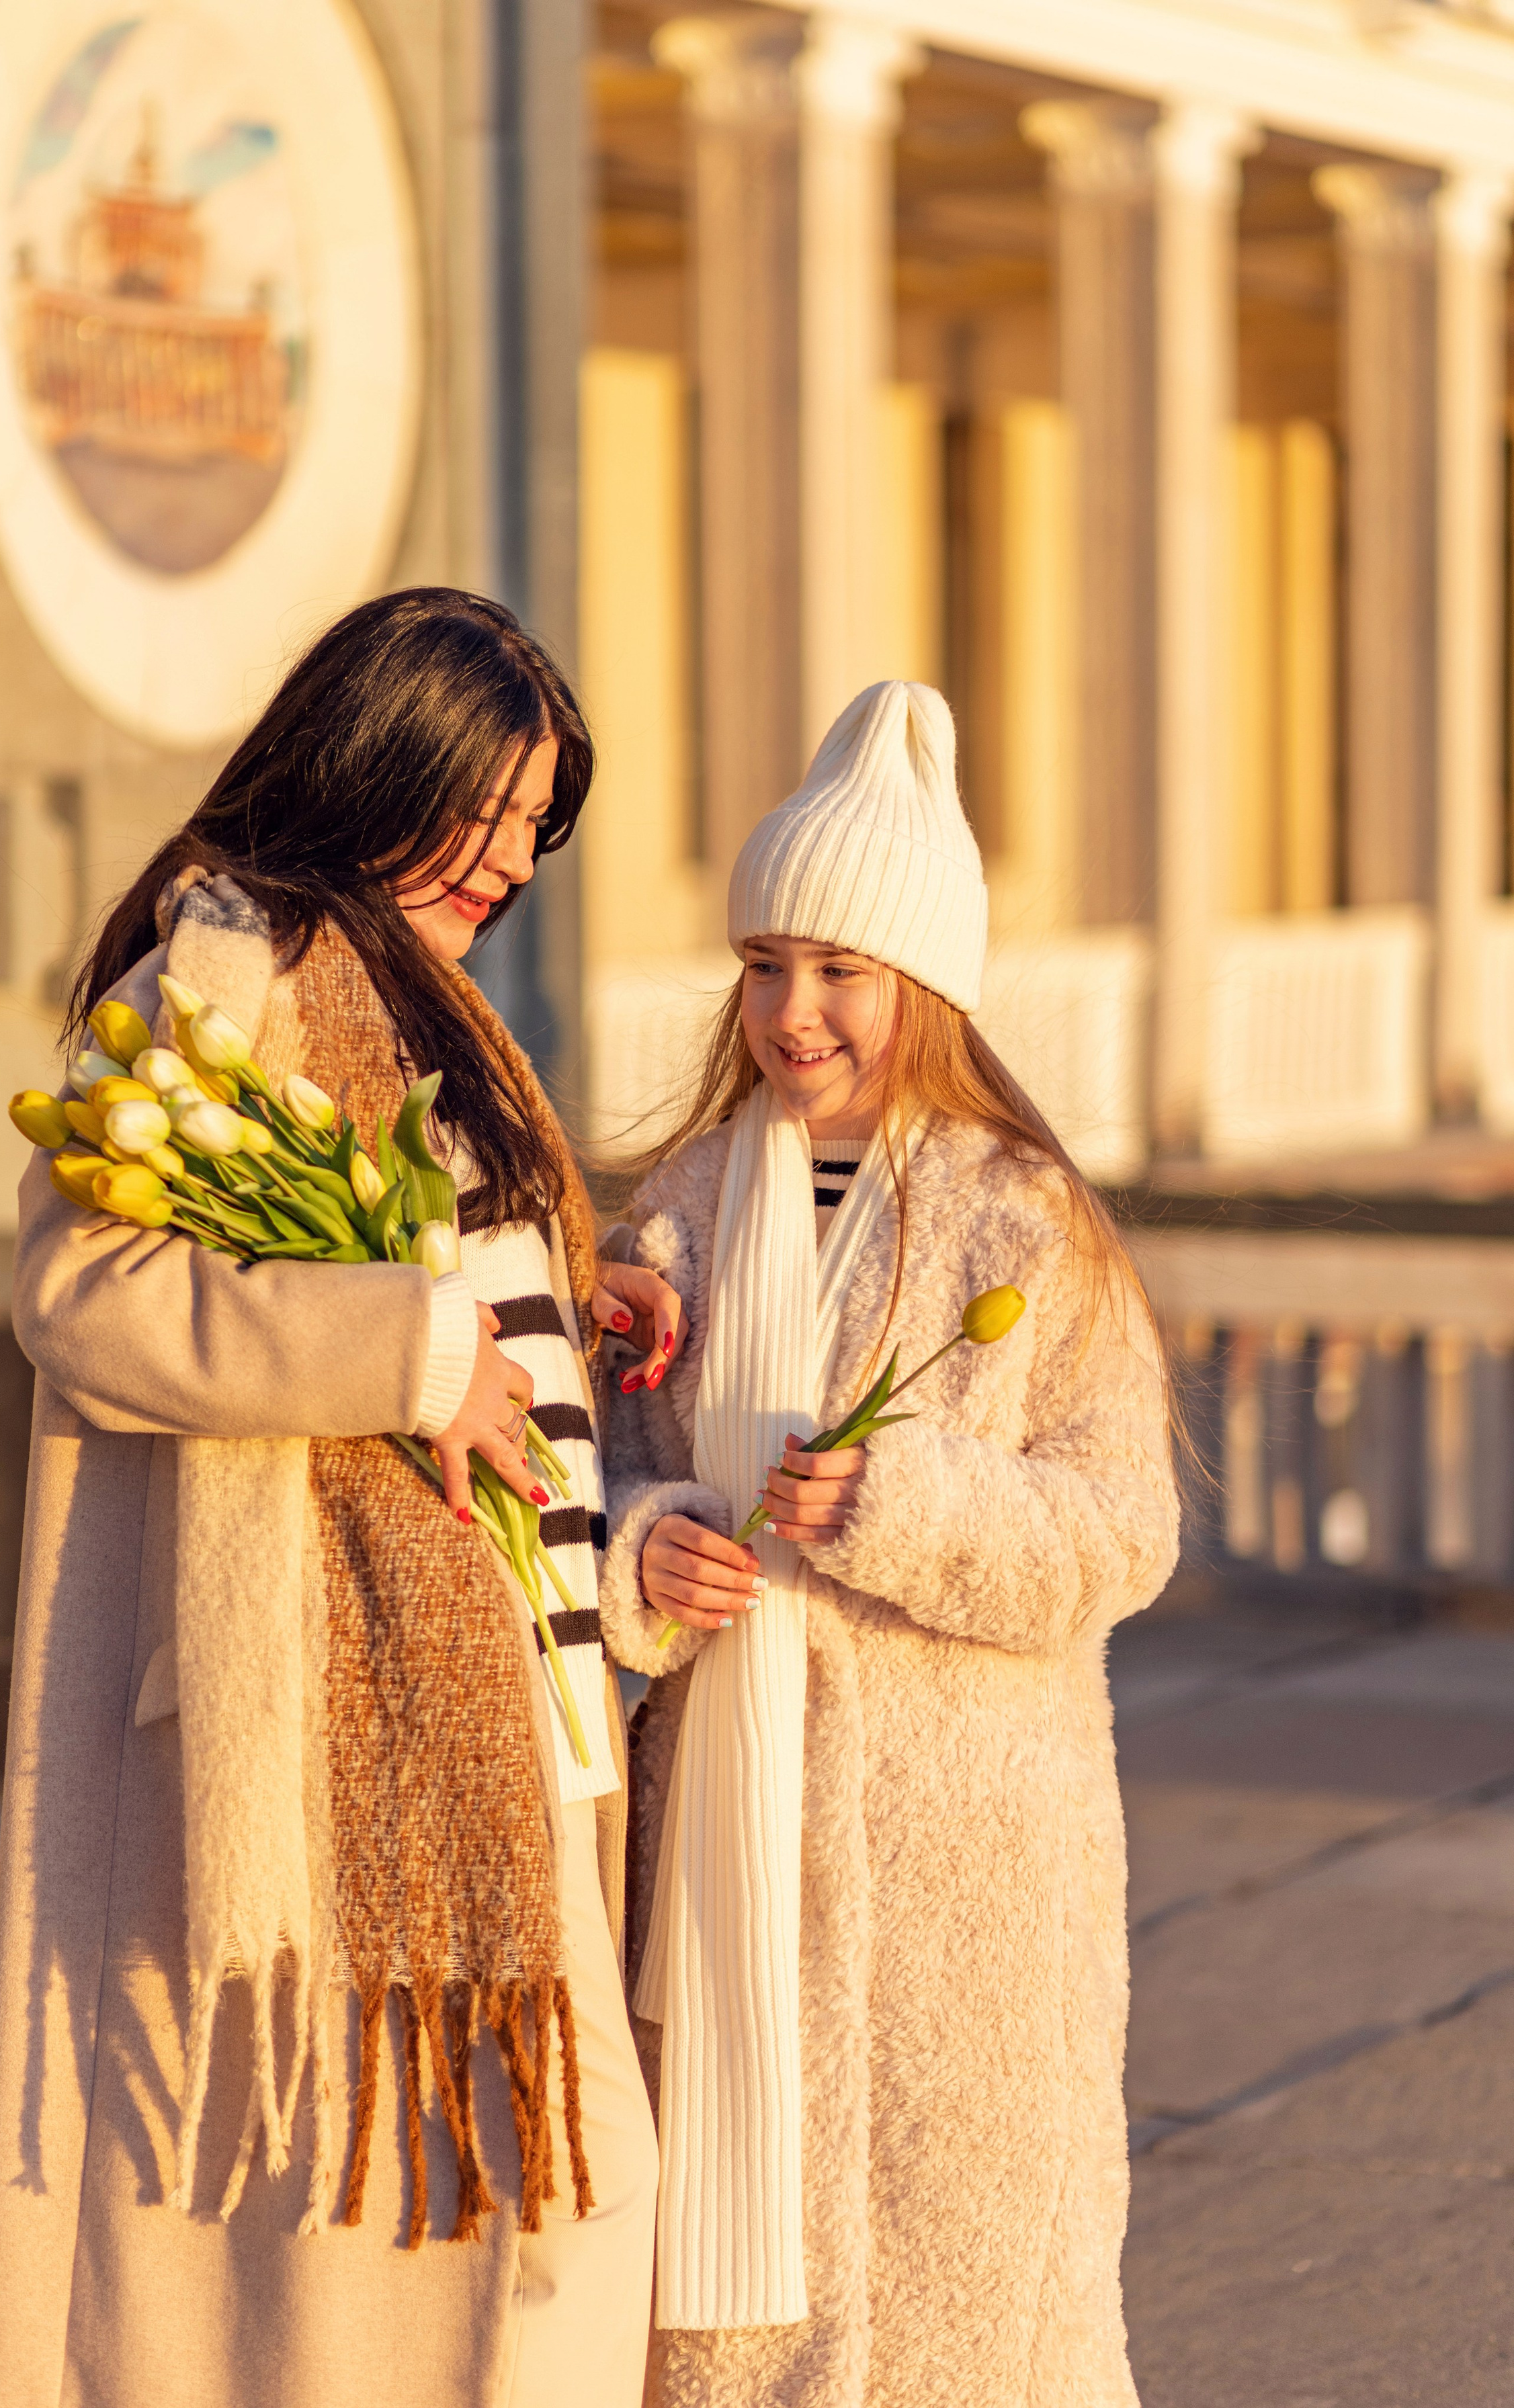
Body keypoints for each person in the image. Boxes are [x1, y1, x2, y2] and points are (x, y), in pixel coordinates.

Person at [0, 589, 679, 2408]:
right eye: (486, 813)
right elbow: (88, 1295)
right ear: (379, 764)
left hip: (489, 1683)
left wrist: (565, 1279)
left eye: (536, 828)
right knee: (407, 2227)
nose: (511, 864)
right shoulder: (227, 961)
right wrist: (415, 1356)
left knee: (512, 2206)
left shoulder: (403, 992)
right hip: (302, 1690)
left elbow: (417, 1254)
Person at [597, 681, 1180, 2408]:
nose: (793, 1012)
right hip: (727, 1857)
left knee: (969, 2306)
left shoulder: (1025, 1216)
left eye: (838, 970)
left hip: (968, 1891)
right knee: (721, 2305)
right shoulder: (679, 1212)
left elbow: (1118, 1530)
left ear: (922, 985)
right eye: (766, 964)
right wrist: (647, 1557)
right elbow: (601, 1480)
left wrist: (903, 1502)